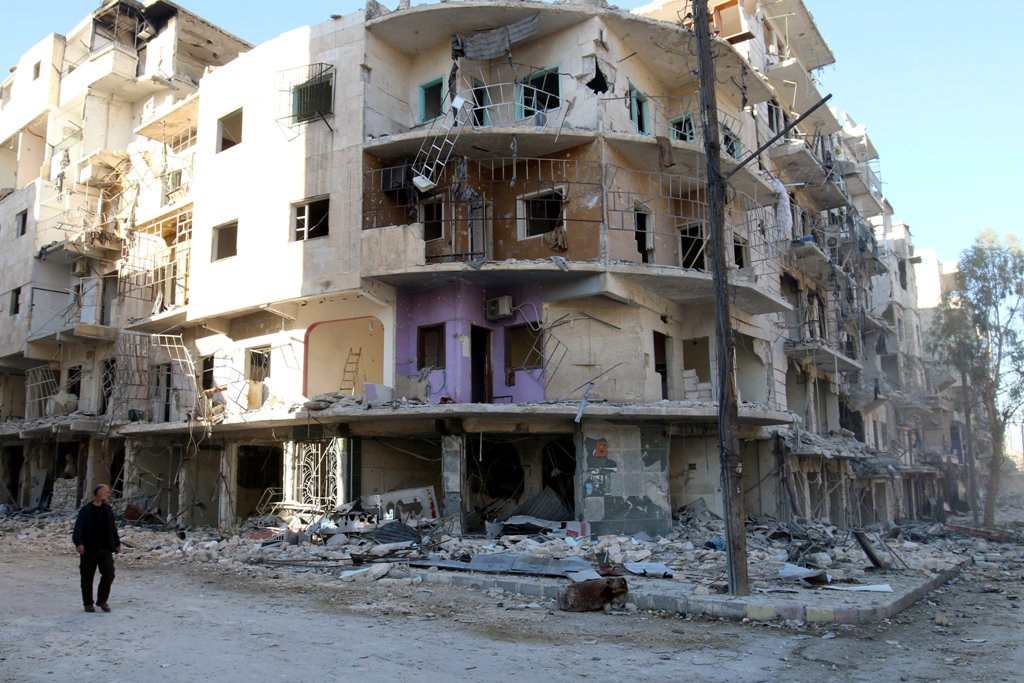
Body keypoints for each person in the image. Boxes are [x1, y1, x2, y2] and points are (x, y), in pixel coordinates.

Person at [72, 484, 121, 613]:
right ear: (99, 493)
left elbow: (112, 528)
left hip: (105, 549)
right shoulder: (86, 510)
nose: (108, 494)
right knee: (87, 577)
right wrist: (79, 543)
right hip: (89, 549)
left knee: (109, 573)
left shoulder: (107, 510)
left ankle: (102, 600)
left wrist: (116, 543)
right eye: (106, 492)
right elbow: (78, 529)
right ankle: (88, 603)